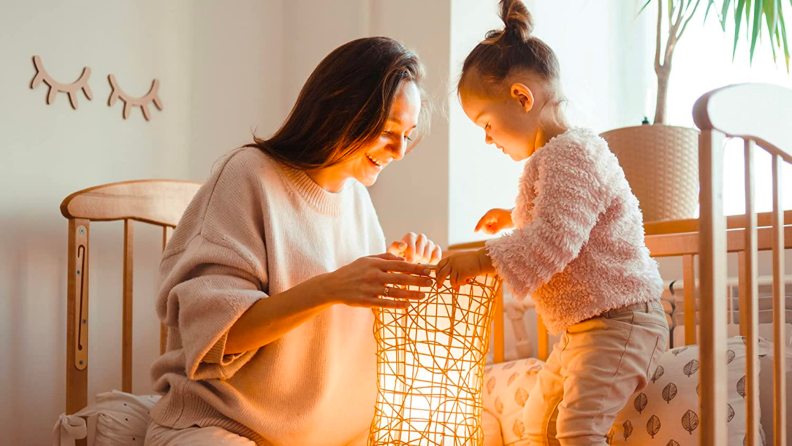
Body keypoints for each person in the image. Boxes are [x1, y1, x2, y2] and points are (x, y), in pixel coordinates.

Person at [145, 36, 441, 446]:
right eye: (389, 131)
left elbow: (350, 333)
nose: (399, 150)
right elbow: (215, 336)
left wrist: (398, 271)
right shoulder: (248, 176)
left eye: (407, 135)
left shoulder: (357, 198)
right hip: (222, 426)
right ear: (344, 111)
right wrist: (332, 287)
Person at [435, 2, 669, 444]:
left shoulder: (571, 153)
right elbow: (565, 217)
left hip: (622, 322)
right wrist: (514, 216)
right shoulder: (558, 157)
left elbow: (556, 239)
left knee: (578, 428)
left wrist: (479, 260)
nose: (487, 139)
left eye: (486, 124)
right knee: (536, 422)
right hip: (587, 327)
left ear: (522, 97)